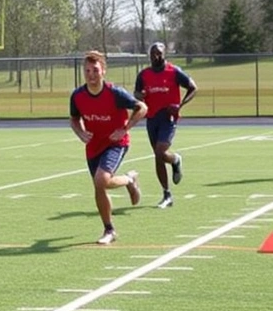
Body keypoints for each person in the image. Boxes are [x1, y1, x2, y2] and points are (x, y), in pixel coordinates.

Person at [69, 50, 148, 245]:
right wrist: (80, 133)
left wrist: (125, 128)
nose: (91, 75)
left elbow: (142, 107)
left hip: (115, 143)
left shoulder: (115, 93)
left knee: (101, 180)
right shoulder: (77, 96)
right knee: (100, 186)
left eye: (95, 70)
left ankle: (128, 182)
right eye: (87, 71)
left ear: (103, 71)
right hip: (93, 146)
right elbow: (74, 119)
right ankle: (110, 228)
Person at [133, 42, 198, 208]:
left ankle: (175, 159)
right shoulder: (143, 75)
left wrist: (180, 105)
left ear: (164, 54)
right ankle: (166, 194)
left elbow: (193, 88)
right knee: (158, 156)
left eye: (159, 53)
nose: (156, 57)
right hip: (151, 118)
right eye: (153, 54)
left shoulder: (174, 72)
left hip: (168, 118)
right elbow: (136, 94)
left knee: (160, 151)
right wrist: (140, 95)